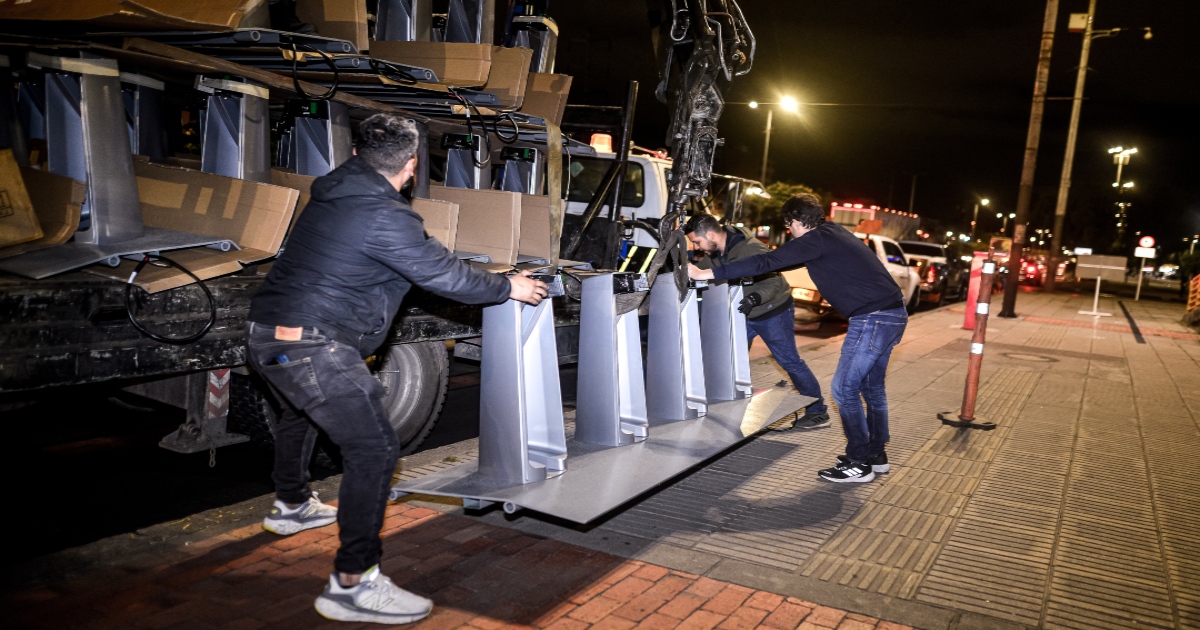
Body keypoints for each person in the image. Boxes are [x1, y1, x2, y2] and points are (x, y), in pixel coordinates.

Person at [246, 113, 549, 623]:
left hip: (270, 336)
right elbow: (441, 275)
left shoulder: (337, 192)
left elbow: (420, 255)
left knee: (303, 414)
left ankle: (292, 505)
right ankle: (352, 582)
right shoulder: (383, 212)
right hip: (310, 344)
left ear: (356, 154)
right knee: (375, 446)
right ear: (410, 166)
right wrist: (508, 287)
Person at [688, 193, 906, 483]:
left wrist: (707, 274)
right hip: (893, 313)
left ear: (795, 221)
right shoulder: (833, 233)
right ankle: (875, 455)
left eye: (788, 225)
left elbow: (766, 262)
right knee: (872, 389)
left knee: (843, 390)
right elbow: (778, 263)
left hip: (872, 319)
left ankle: (858, 463)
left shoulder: (815, 240)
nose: (789, 231)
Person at [684, 213, 829, 429]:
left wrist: (755, 297)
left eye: (697, 241)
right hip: (744, 312)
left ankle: (818, 413)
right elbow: (704, 273)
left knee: (790, 362)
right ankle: (727, 405)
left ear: (711, 234)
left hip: (773, 312)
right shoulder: (715, 252)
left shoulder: (751, 249)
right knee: (730, 359)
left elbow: (774, 281)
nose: (696, 247)